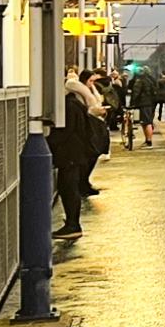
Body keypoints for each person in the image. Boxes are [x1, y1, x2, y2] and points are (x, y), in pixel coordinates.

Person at [52, 68, 106, 238]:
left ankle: (72, 225)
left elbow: (65, 132)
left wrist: (48, 143)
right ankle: (71, 223)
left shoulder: (68, 107)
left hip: (70, 155)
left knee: (68, 188)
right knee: (69, 187)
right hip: (77, 154)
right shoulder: (77, 106)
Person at [78, 69, 109, 194]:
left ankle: (85, 182)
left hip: (96, 122)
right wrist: (96, 111)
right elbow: (85, 110)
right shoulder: (80, 92)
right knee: (91, 154)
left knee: (94, 153)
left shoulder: (90, 90)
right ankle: (83, 183)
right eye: (90, 81)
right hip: (90, 124)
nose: (92, 83)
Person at [131, 67, 162, 148]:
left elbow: (136, 92)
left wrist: (132, 103)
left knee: (146, 122)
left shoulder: (140, 80)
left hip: (143, 103)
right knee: (147, 122)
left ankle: (149, 142)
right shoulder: (151, 80)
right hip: (151, 103)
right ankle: (147, 140)